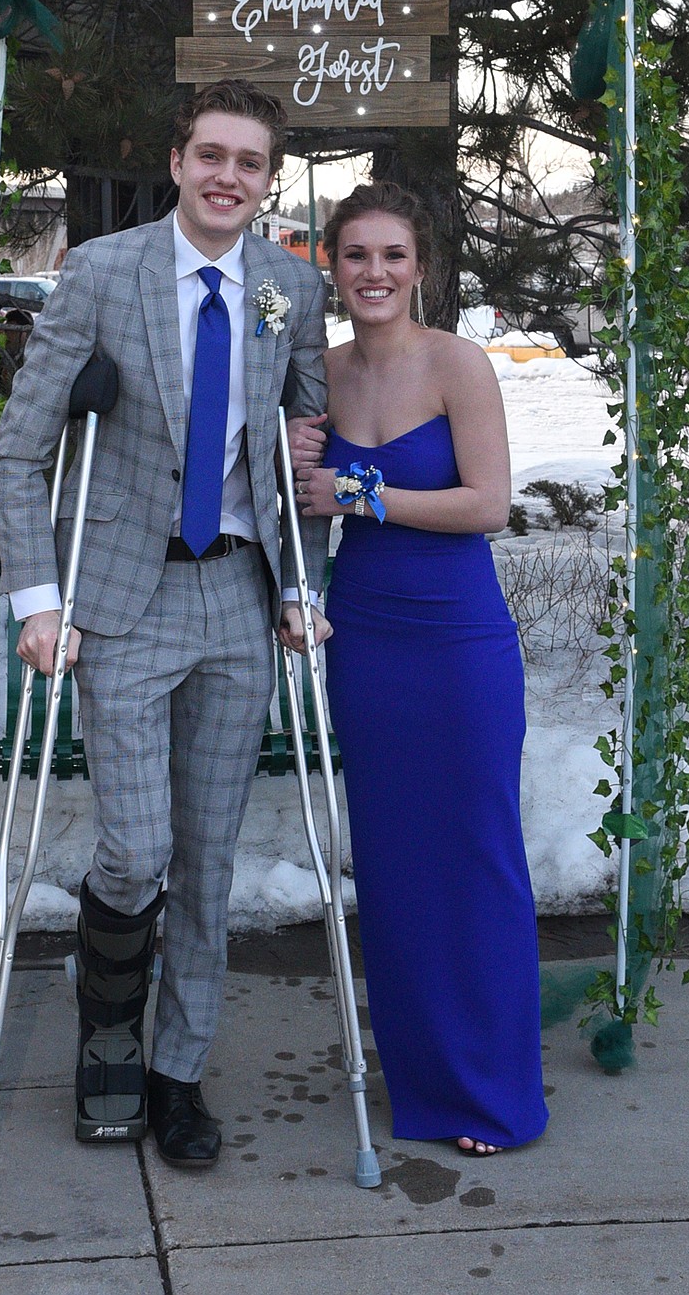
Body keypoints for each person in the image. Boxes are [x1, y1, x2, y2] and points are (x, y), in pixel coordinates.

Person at [0, 79, 330, 1168]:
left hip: (237, 591)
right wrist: (41, 599)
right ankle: (107, 1039)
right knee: (137, 851)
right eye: (212, 154)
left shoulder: (289, 287)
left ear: (269, 181)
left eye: (252, 162)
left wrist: (304, 583)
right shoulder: (101, 272)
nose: (231, 175)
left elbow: (303, 458)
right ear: (178, 160)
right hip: (124, 598)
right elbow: (18, 452)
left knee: (210, 857)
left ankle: (178, 1073)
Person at [288, 181, 548, 1157]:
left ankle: (496, 1095)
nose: (375, 273)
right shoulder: (324, 371)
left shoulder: (459, 364)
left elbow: (488, 504)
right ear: (332, 264)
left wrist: (356, 485)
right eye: (356, 256)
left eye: (392, 255)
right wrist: (293, 459)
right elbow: (299, 498)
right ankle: (426, 1085)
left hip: (459, 639)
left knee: (478, 859)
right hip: (366, 639)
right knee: (395, 866)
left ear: (421, 263)